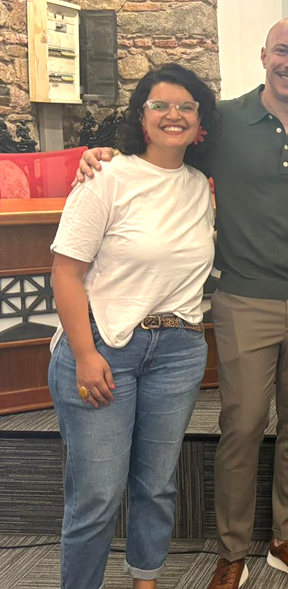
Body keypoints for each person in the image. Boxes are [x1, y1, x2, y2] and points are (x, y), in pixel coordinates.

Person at [77, 18, 288, 589]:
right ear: (264, 57)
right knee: (242, 427)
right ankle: (231, 551)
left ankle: (286, 539)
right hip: (245, 300)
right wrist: (103, 152)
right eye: (282, 51)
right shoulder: (222, 125)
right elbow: (162, 153)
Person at [49, 63, 217, 589]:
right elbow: (65, 273)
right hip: (103, 348)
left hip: (178, 350)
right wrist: (84, 353)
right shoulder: (106, 176)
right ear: (141, 118)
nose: (173, 115)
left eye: (186, 106)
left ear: (200, 122)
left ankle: (146, 579)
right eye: (160, 105)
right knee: (97, 493)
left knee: (157, 483)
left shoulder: (202, 187)